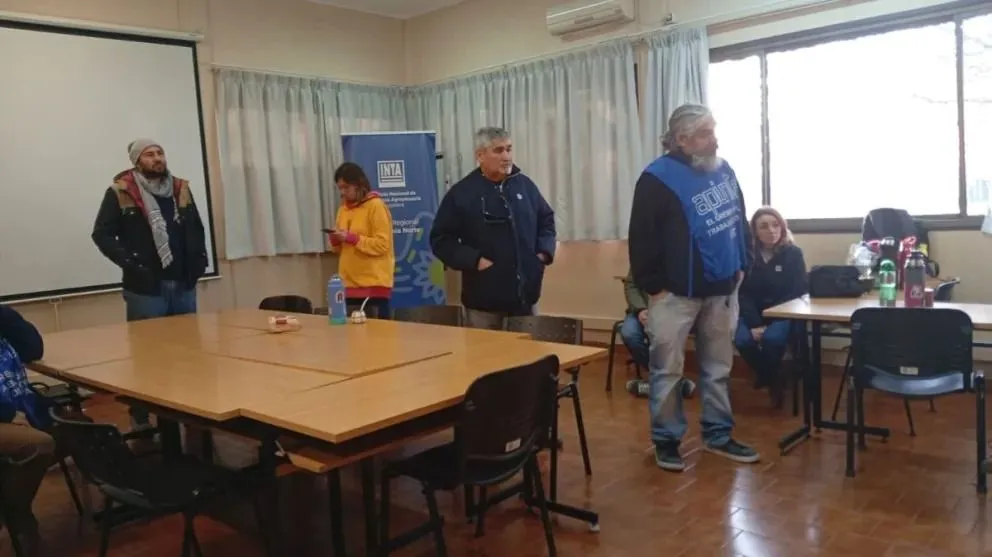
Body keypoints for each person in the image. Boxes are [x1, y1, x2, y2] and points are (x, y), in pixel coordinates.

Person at [628, 103, 757, 472]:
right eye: (705, 133)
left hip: (723, 290)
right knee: (667, 371)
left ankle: (718, 434)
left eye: (713, 130)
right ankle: (667, 440)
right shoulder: (656, 178)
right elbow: (641, 238)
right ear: (682, 139)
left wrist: (744, 262)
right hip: (675, 295)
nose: (714, 139)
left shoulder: (724, 170)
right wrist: (654, 288)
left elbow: (739, 218)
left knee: (718, 367)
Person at [92, 139, 208, 429]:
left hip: (182, 283)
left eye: (160, 153)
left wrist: (199, 261)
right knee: (147, 358)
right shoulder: (121, 192)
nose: (157, 158)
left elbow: (196, 227)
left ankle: (192, 413)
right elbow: (102, 234)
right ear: (137, 161)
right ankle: (141, 419)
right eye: (150, 154)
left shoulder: (181, 188)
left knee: (188, 353)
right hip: (146, 288)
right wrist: (130, 263)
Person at [430, 127, 556, 328]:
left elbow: (546, 220)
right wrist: (475, 260)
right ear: (480, 155)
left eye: (509, 149)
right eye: (498, 151)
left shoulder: (524, 185)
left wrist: (542, 253)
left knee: (530, 357)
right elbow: (441, 240)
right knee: (485, 358)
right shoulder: (461, 193)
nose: (506, 156)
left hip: (525, 298)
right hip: (483, 301)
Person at [734, 207, 807, 409]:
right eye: (764, 226)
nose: (771, 230)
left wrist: (771, 319)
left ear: (783, 228)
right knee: (741, 339)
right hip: (751, 312)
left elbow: (798, 290)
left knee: (773, 339)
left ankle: (768, 378)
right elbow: (743, 292)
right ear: (755, 231)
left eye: (776, 225)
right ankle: (772, 377)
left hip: (784, 311)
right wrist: (755, 323)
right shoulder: (747, 256)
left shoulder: (793, 253)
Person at [0, 304, 55, 554]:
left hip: (16, 408)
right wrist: (9, 415)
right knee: (39, 444)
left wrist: (5, 315)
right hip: (5, 416)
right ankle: (15, 514)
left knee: (78, 428)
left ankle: (15, 508)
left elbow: (33, 349)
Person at [328, 162, 395, 317]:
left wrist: (352, 238)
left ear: (358, 184)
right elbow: (339, 250)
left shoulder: (376, 206)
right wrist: (335, 240)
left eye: (346, 187)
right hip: (347, 287)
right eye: (339, 188)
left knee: (377, 339)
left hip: (373, 288)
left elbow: (382, 245)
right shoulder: (342, 210)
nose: (342, 192)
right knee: (350, 339)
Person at [619, 268, 696, 400]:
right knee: (629, 333)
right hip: (642, 311)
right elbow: (631, 285)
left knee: (667, 335)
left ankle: (659, 384)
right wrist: (641, 310)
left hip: (672, 312)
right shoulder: (643, 254)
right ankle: (669, 383)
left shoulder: (681, 256)